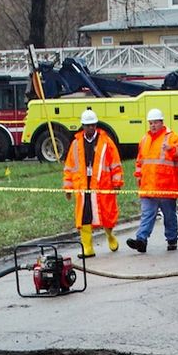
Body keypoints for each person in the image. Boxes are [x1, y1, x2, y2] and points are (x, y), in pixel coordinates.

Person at [62, 108, 123, 257]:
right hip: (83, 187)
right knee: (84, 216)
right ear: (83, 126)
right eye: (87, 125)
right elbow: (69, 167)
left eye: (93, 125)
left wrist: (117, 182)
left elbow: (115, 163)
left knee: (106, 214)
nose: (90, 128)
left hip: (102, 185)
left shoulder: (106, 142)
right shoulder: (76, 144)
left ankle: (110, 236)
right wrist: (68, 187)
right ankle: (88, 248)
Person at [127, 107, 178, 253]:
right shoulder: (145, 139)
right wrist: (138, 176)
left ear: (161, 122)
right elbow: (140, 161)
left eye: (155, 122)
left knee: (169, 216)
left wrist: (171, 148)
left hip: (166, 186)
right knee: (147, 214)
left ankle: (172, 240)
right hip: (148, 186)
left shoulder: (171, 138)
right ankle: (141, 240)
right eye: (151, 123)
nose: (153, 125)